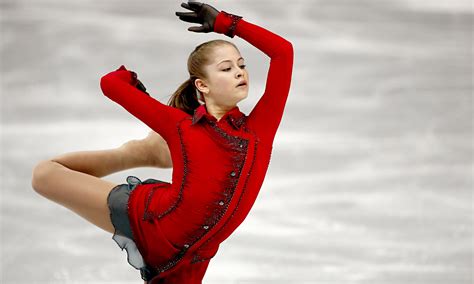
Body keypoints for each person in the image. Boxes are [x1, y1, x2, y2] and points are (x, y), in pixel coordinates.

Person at [31, 1, 293, 283]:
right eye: (226, 69)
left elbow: (283, 53)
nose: (240, 72)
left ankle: (148, 151)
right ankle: (137, 153)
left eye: (241, 65)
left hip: (190, 259)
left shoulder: (258, 131)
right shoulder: (180, 127)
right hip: (149, 222)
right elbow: (110, 84)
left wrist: (228, 24)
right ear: (201, 85)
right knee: (44, 175)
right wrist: (130, 81)